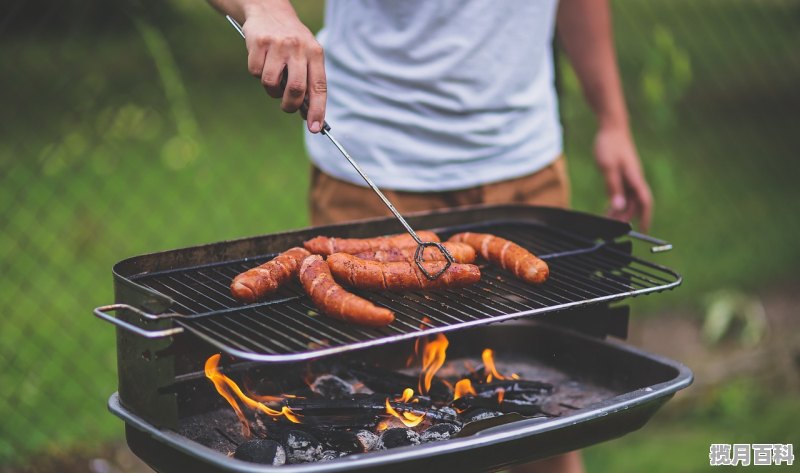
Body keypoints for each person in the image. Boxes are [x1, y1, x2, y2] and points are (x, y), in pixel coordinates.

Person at [209, 1, 652, 471]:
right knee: (377, 422)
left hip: (526, 164)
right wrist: (263, 8)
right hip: (373, 171)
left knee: (540, 424)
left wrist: (613, 121)